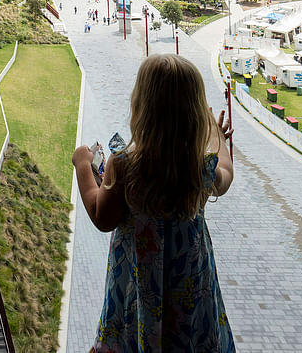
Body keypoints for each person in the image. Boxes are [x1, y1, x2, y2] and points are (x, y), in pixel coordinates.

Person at [73, 54, 235, 352]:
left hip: (138, 289)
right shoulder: (200, 167)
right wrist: (216, 137)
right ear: (195, 115)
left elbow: (101, 216)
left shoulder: (123, 165)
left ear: (140, 107)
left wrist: (83, 165)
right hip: (190, 292)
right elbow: (226, 172)